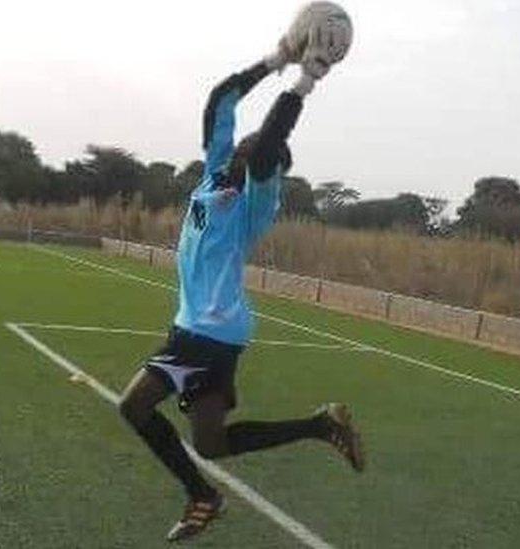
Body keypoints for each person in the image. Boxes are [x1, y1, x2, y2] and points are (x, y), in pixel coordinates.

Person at [117, 36, 365, 543]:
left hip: (204, 335)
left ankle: (202, 497)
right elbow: (221, 99)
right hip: (209, 332)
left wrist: (306, 80)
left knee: (134, 407)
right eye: (248, 144)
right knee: (211, 445)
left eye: (264, 155)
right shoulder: (212, 175)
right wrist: (277, 60)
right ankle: (321, 425)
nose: (251, 146)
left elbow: (272, 140)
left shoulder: (256, 203)